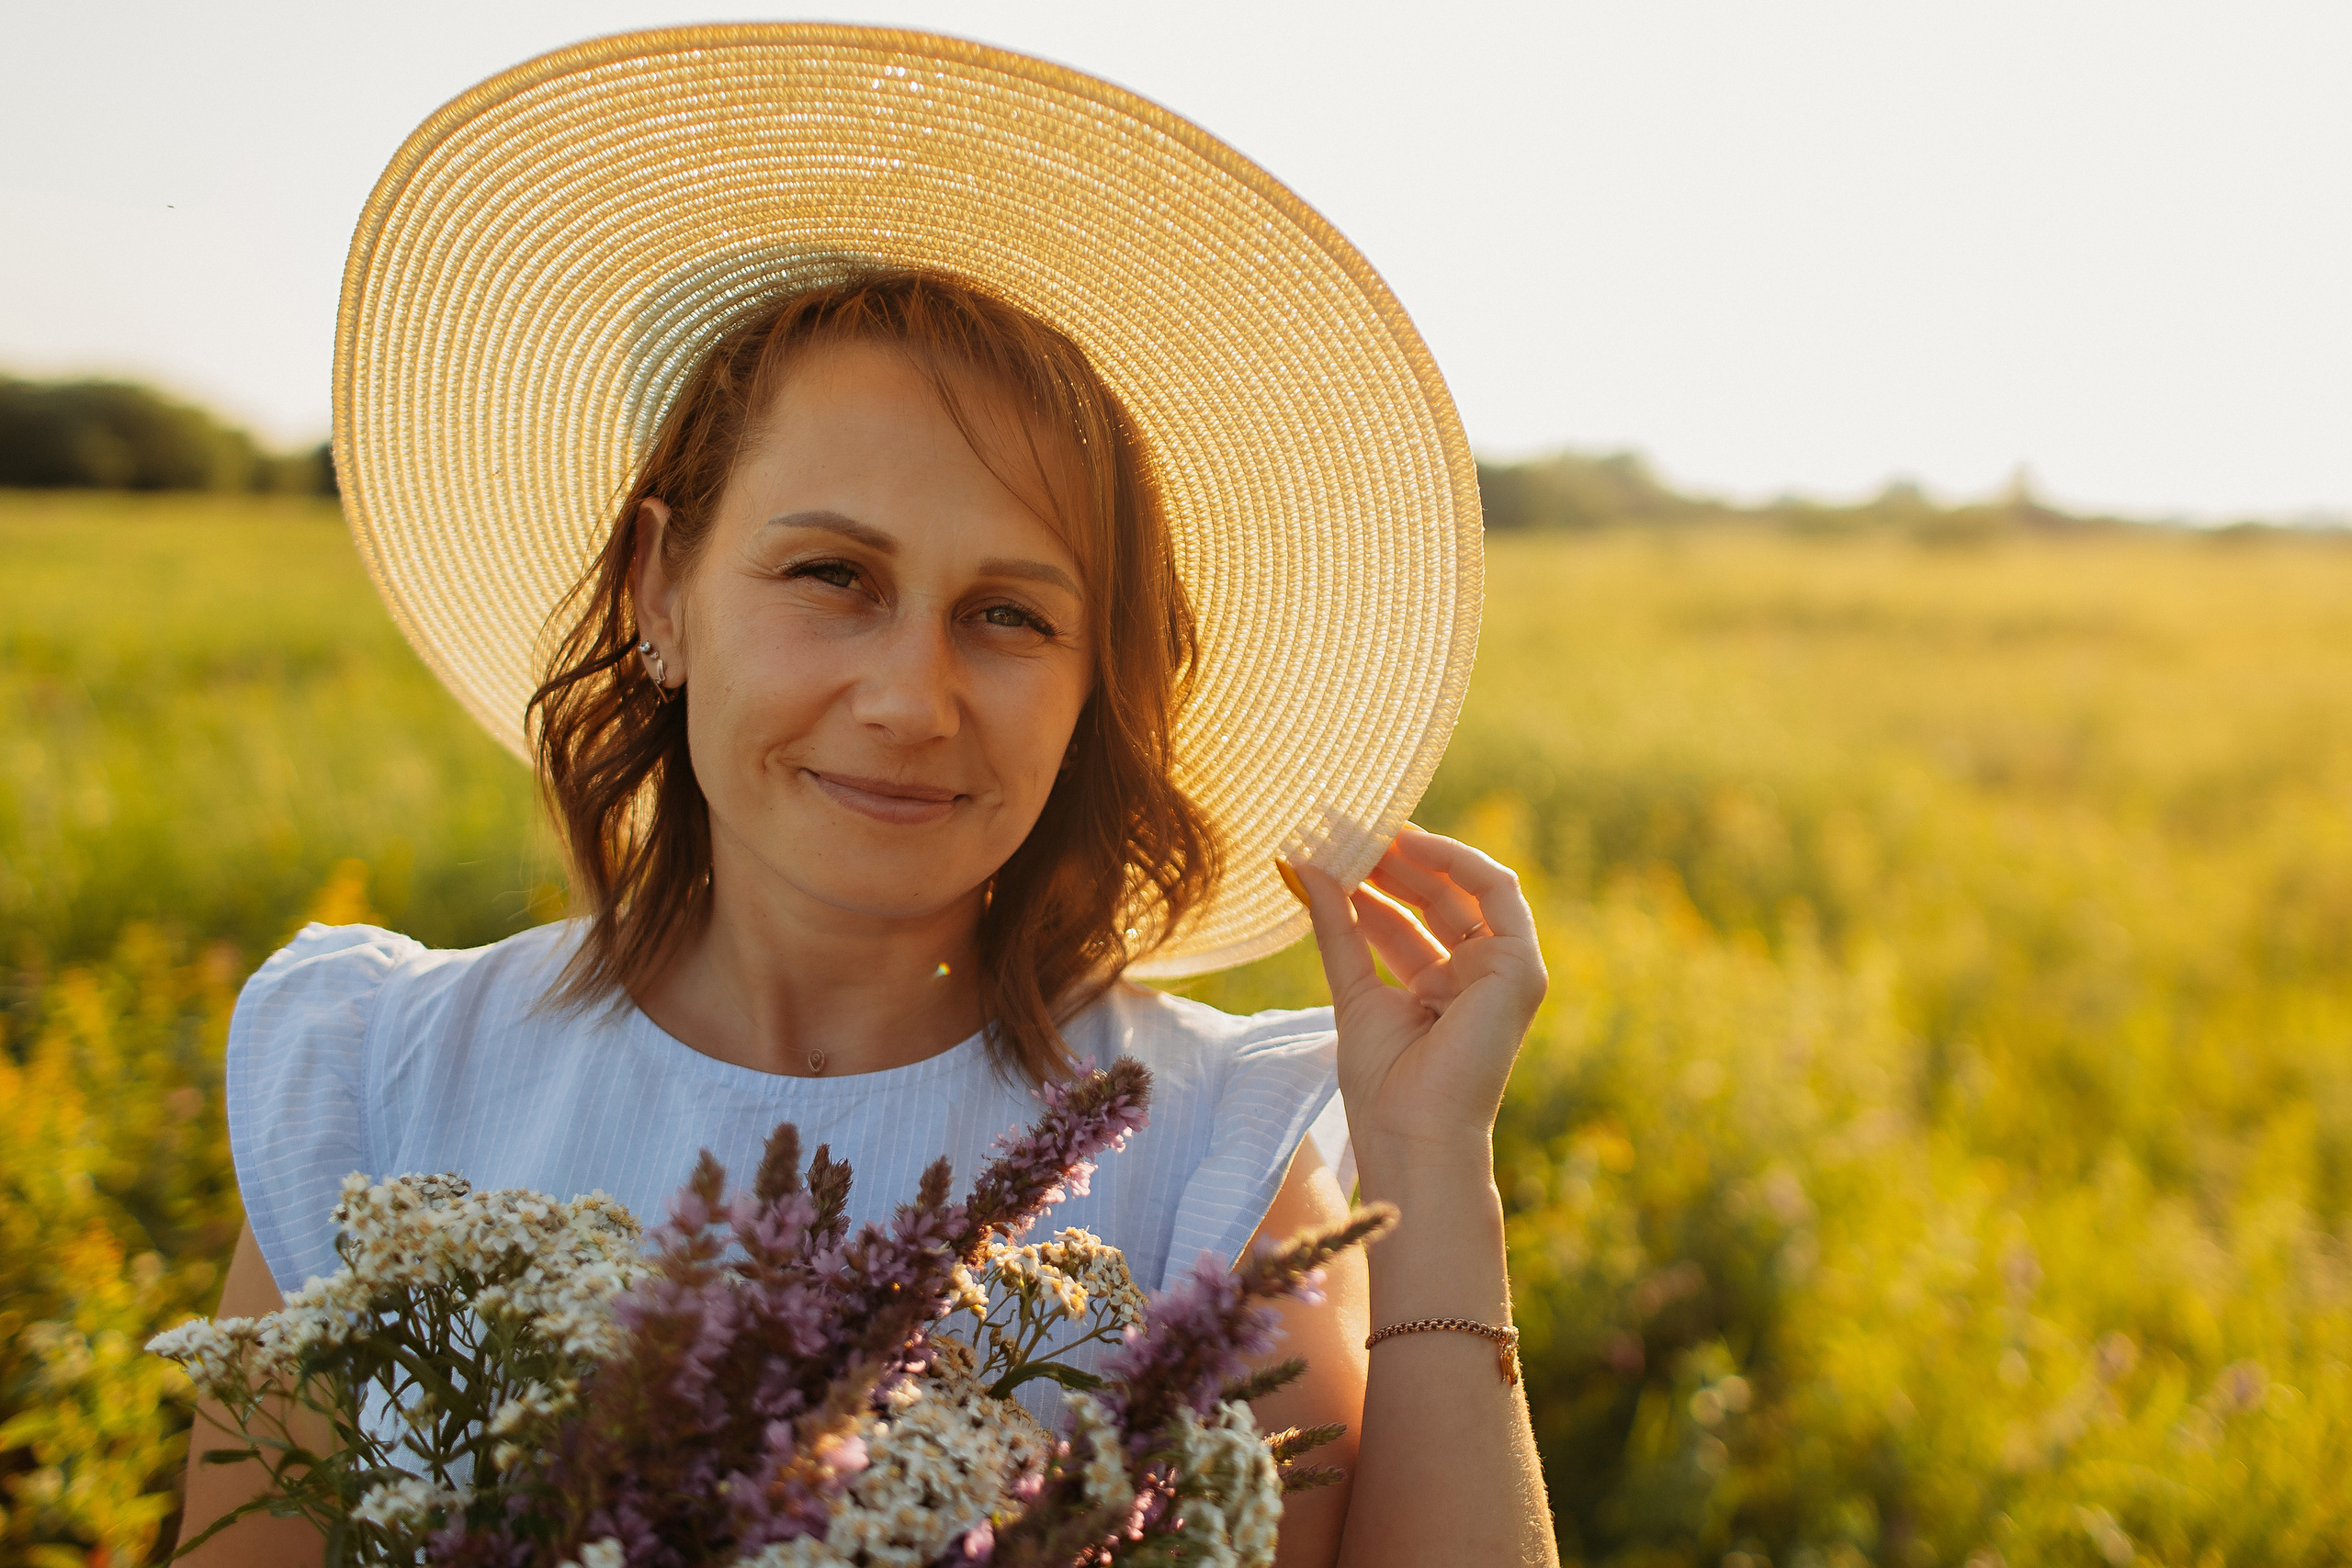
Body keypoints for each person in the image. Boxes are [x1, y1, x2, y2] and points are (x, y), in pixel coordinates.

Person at [178, 27, 1555, 1568]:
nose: (912, 698)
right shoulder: (377, 1092)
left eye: (1011, 614)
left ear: (1097, 678)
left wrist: (1433, 1167)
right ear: (660, 589)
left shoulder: (1219, 1175)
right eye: (832, 575)